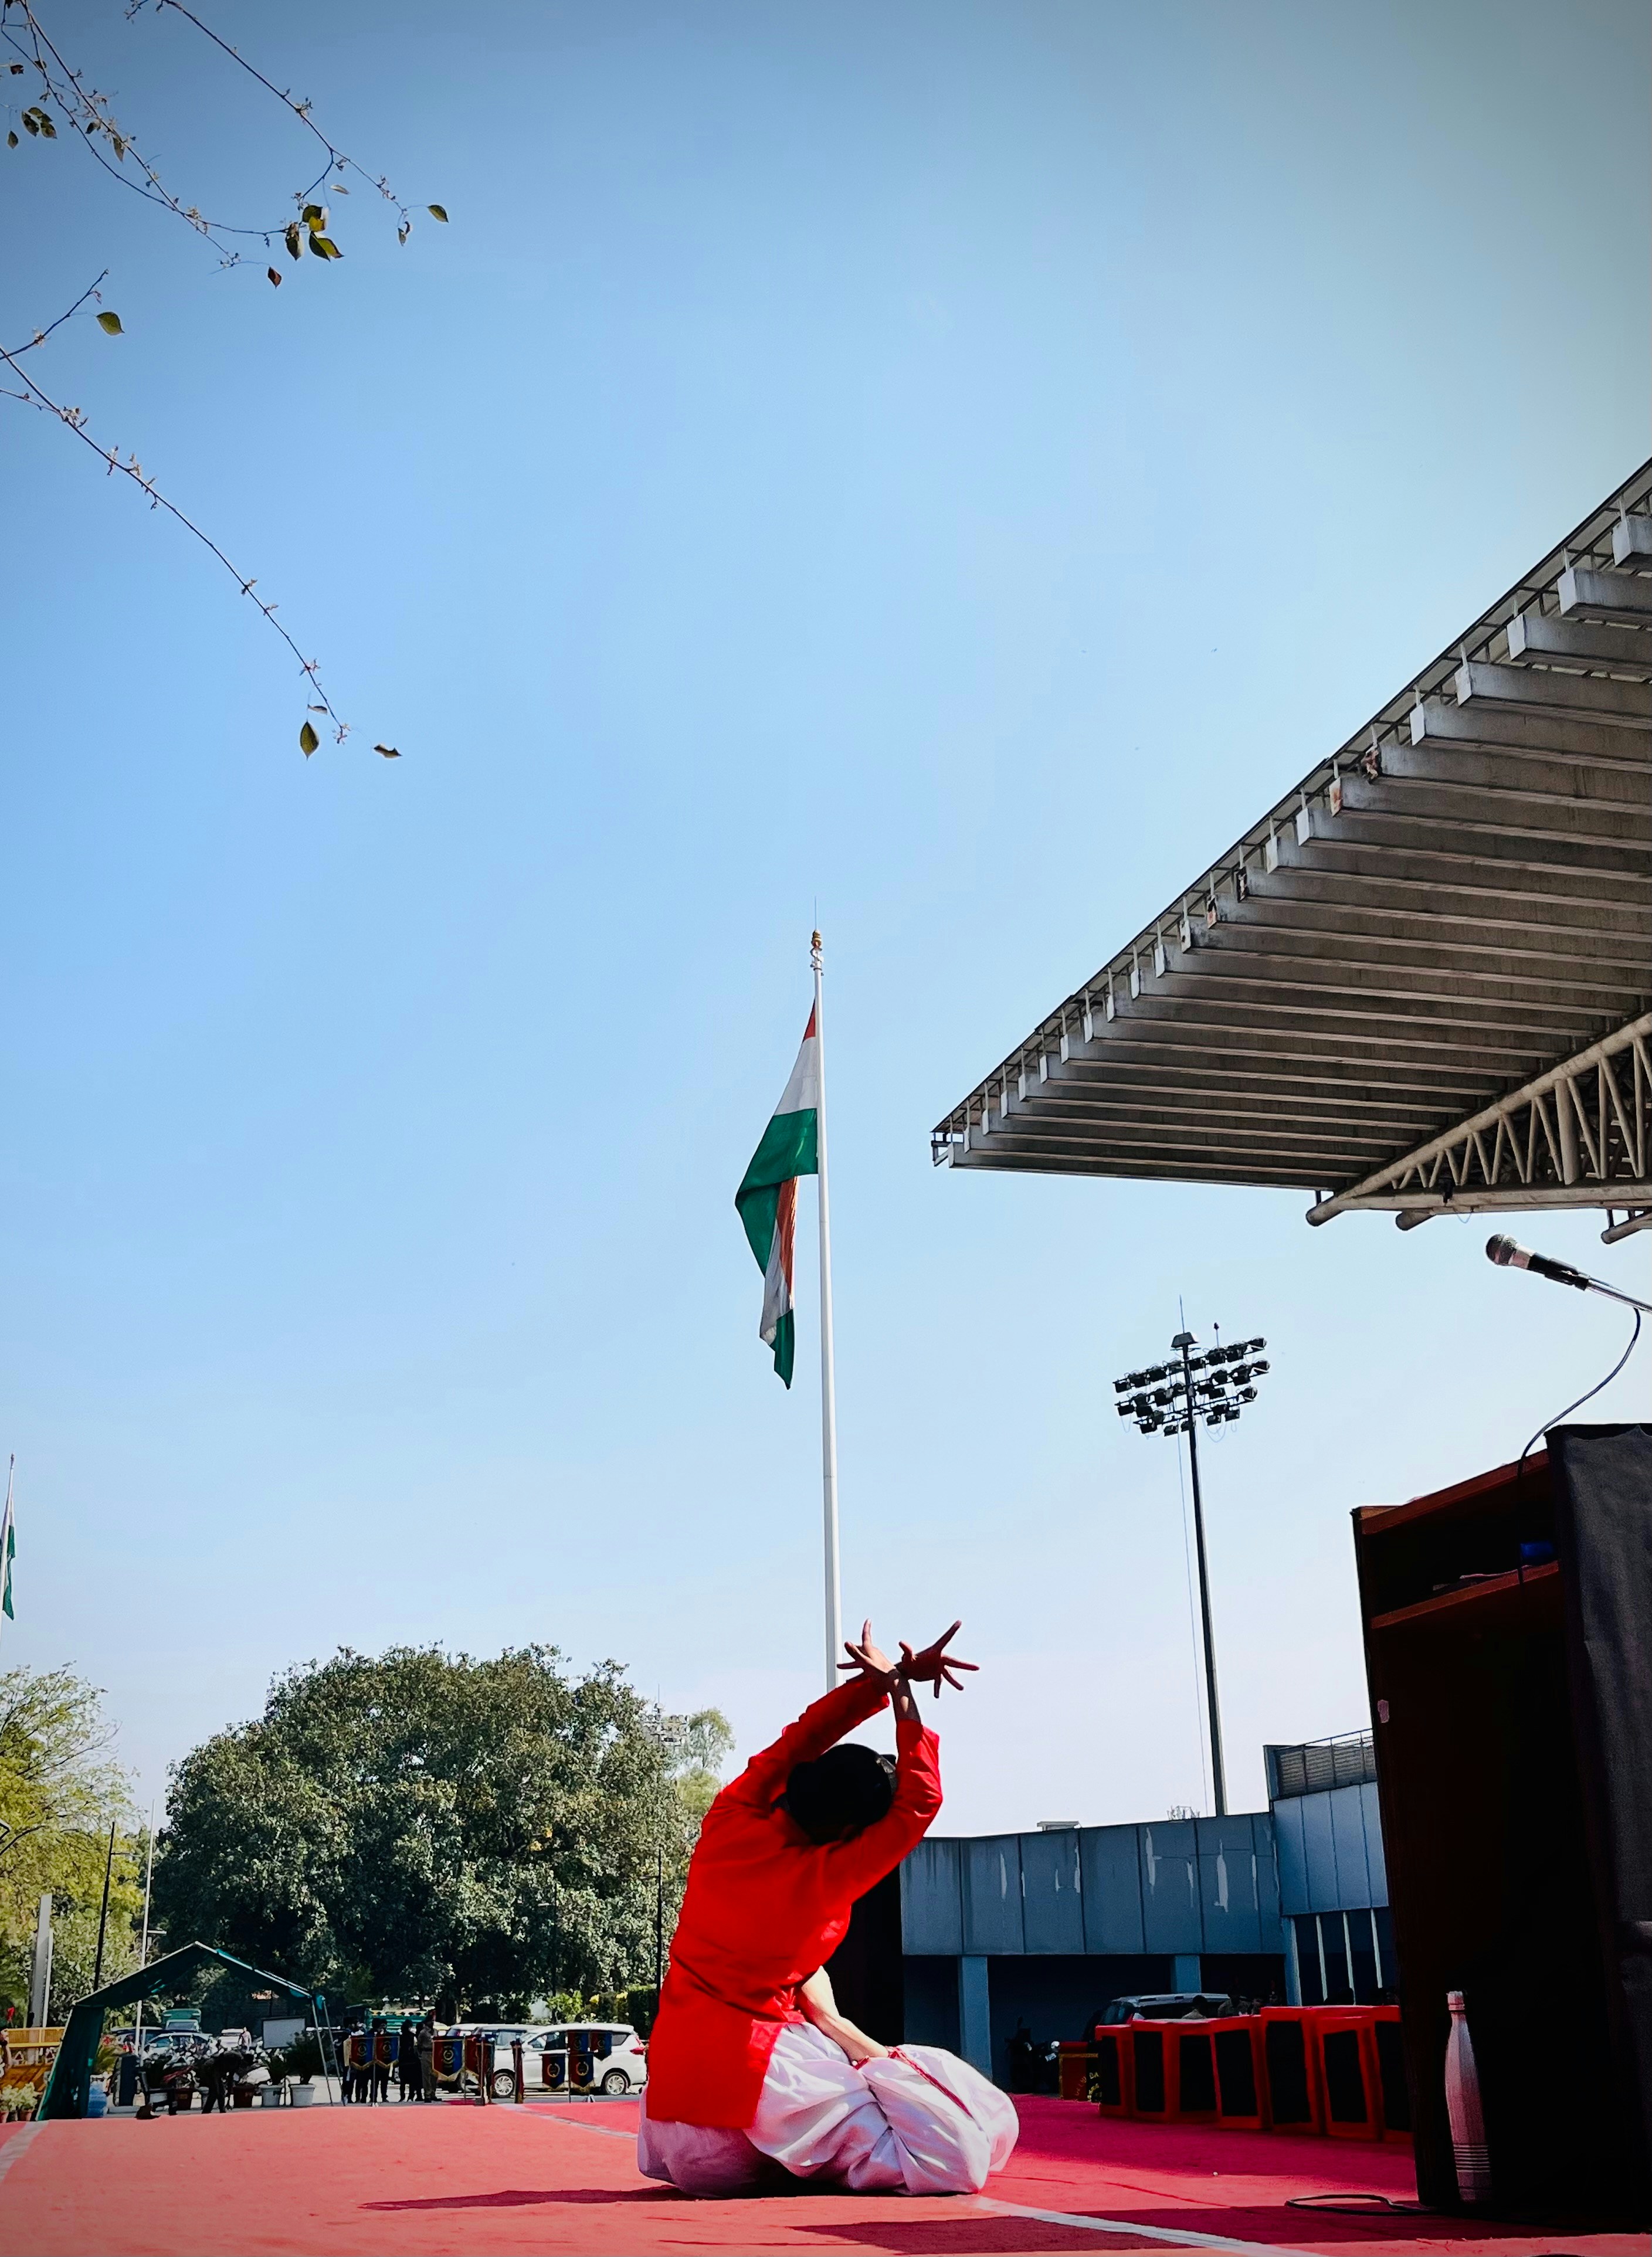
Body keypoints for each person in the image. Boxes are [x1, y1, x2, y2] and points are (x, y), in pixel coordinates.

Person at [638, 1619, 1017, 2198]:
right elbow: (922, 1801)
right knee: (969, 2145)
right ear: (847, 1831)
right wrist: (903, 1693)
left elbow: (803, 1737)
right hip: (761, 2077)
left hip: (677, 2119)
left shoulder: (729, 1819)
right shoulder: (827, 1876)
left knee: (944, 2126)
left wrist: (884, 1684)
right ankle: (848, 2048)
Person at [396, 2018, 419, 2100]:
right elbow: (415, 2048)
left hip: (403, 2060)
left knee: (403, 2081)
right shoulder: (413, 2036)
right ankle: (411, 2096)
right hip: (412, 2061)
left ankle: (402, 2097)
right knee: (412, 2081)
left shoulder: (400, 2037)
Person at [416, 2011, 436, 2102]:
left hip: (434, 2054)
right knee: (426, 2076)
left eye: (433, 2021)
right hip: (426, 2053)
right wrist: (420, 2054)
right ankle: (427, 2095)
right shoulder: (423, 2032)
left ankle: (433, 2093)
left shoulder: (435, 2031)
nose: (432, 2023)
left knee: (434, 2075)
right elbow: (419, 2044)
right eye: (430, 2021)